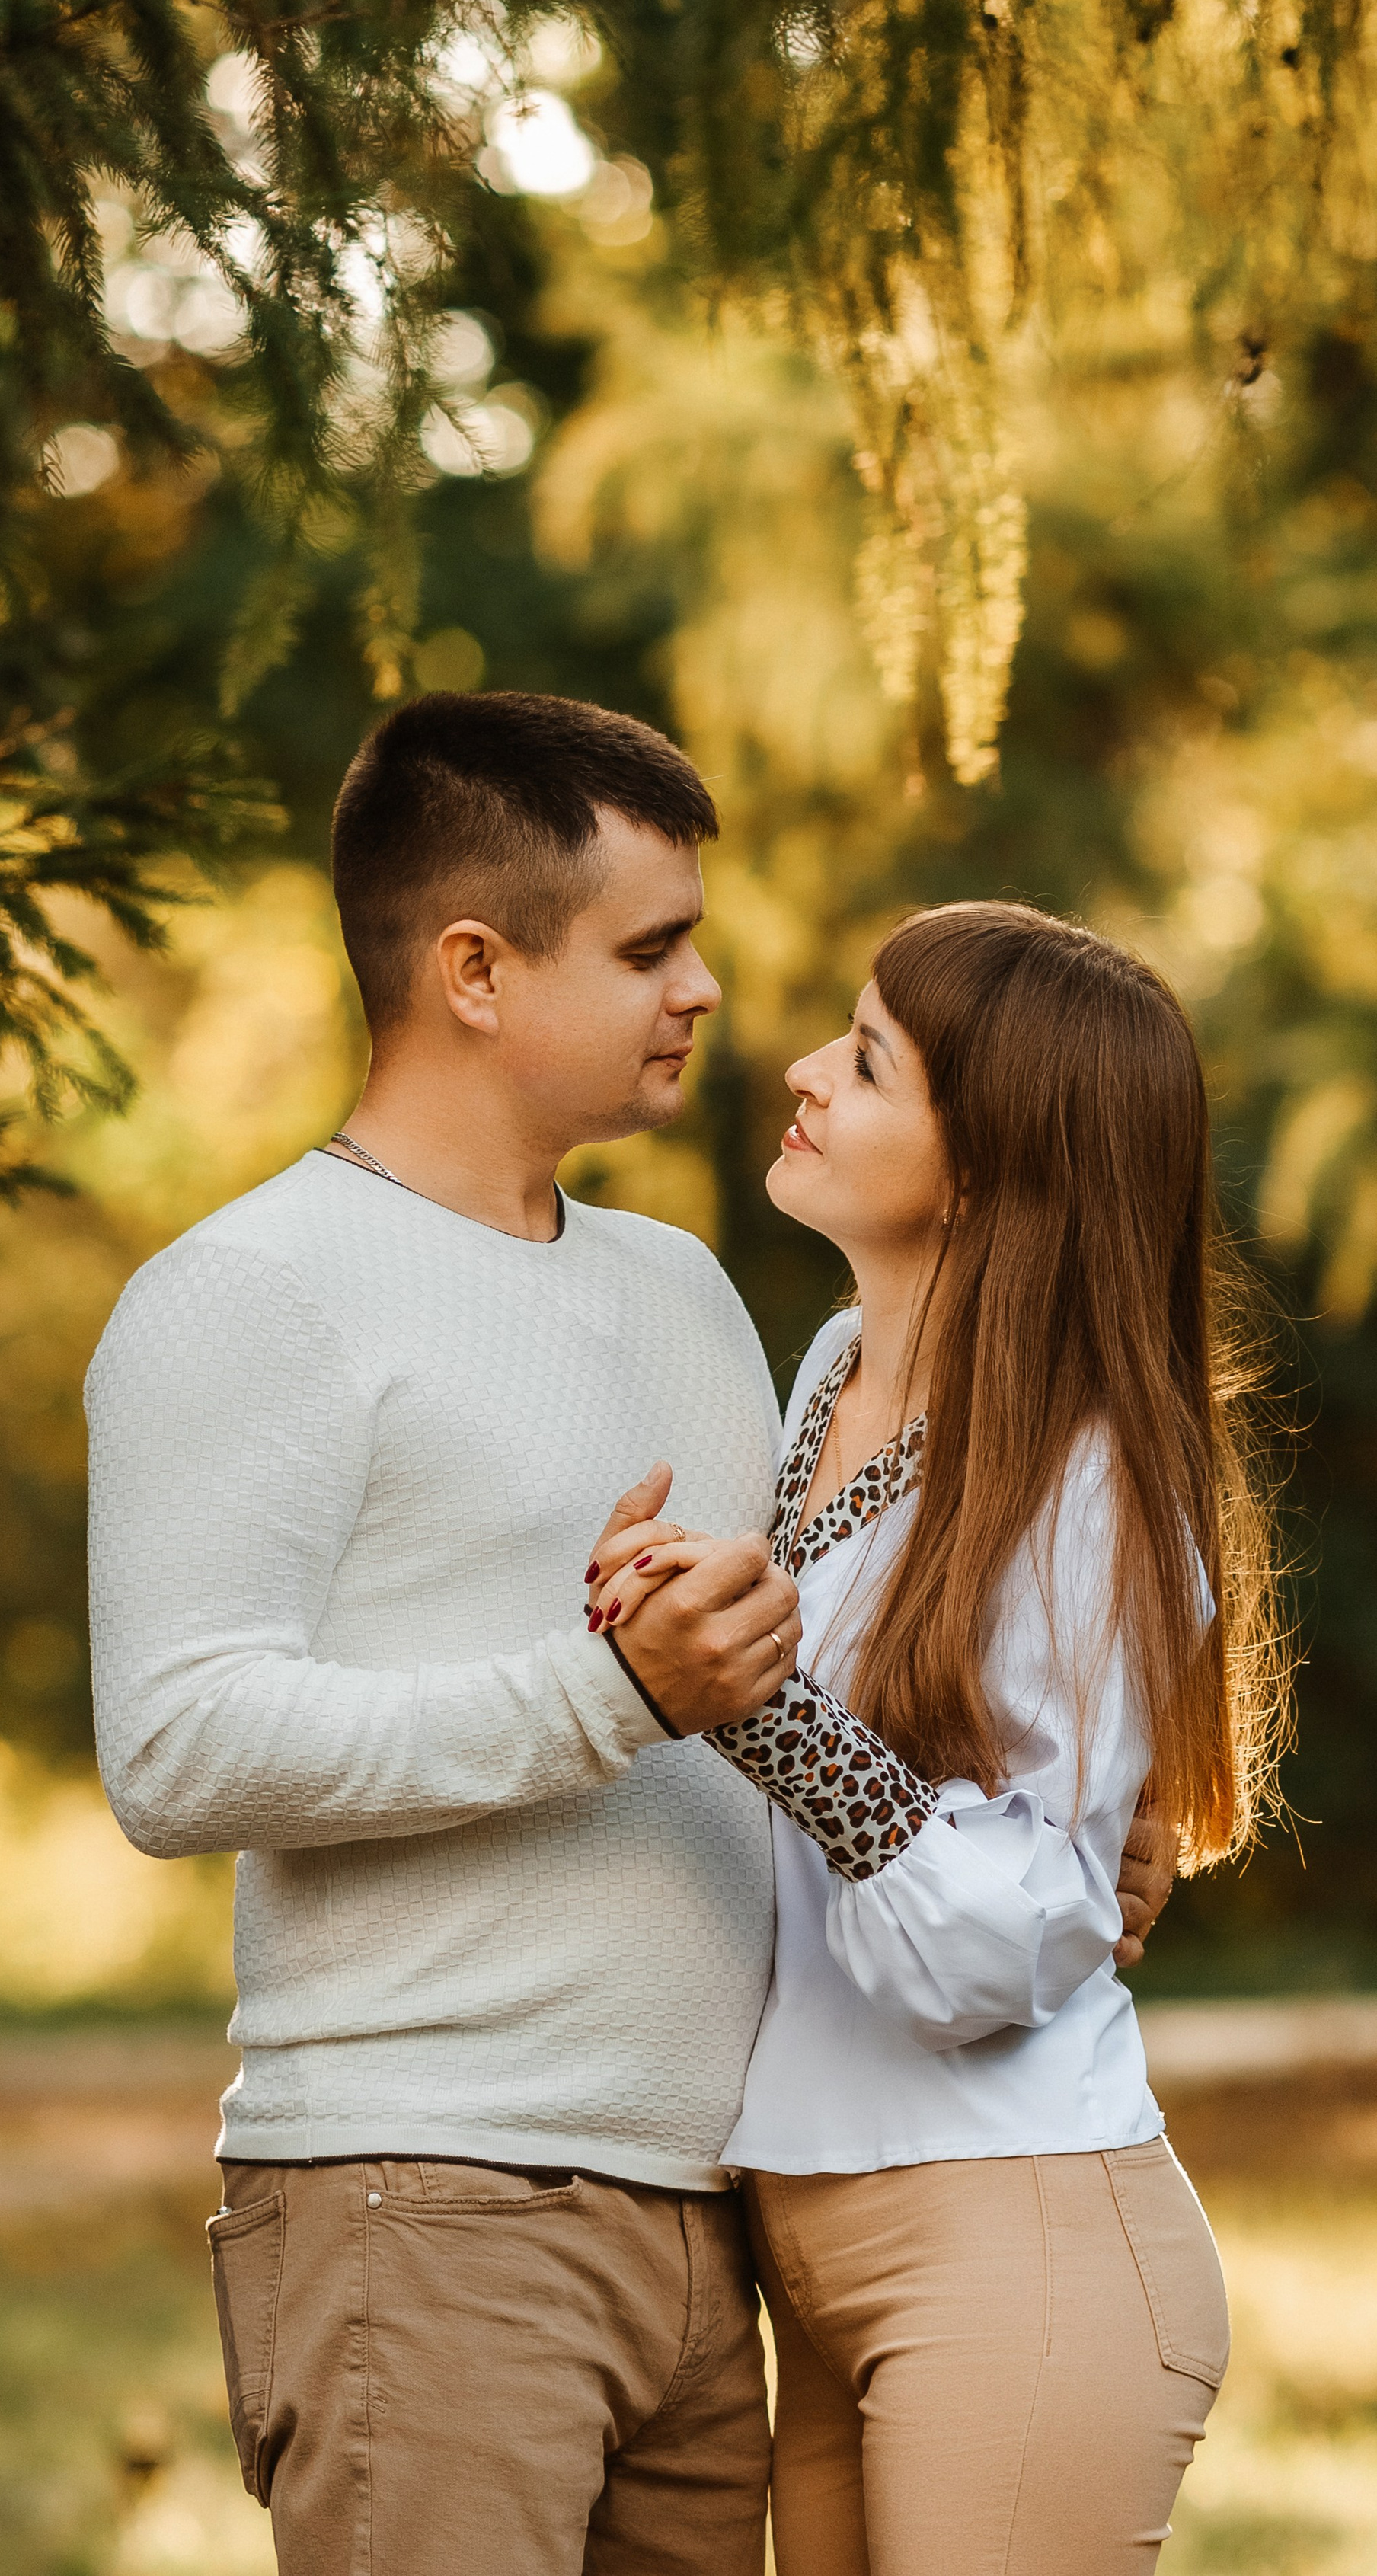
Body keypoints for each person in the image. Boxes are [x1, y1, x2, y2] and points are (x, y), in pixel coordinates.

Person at [86, 695, 1169, 2576]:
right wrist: (604, 1694)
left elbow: (803, 1684)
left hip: (717, 2227)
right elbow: (178, 1750)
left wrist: (1065, 1860)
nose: (706, 990)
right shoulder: (247, 1292)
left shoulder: (686, 1298)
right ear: (475, 969)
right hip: (422, 2198)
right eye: (650, 947)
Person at [588, 901, 1289, 2576]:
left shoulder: (1093, 1480)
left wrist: (759, 1709)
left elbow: (1000, 1941)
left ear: (981, 1167)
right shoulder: (829, 1371)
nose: (803, 1072)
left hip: (1009, 2234)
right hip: (812, 2246)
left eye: (867, 1061)